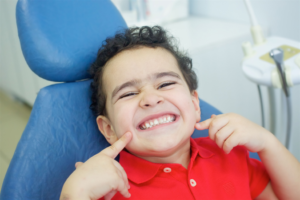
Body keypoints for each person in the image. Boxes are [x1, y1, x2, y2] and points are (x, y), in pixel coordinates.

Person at [60, 26, 300, 200]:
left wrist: (268, 143)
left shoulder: (231, 156)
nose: (151, 98)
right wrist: (74, 194)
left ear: (195, 105)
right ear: (109, 129)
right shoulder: (109, 189)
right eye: (128, 94)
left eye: (165, 84)